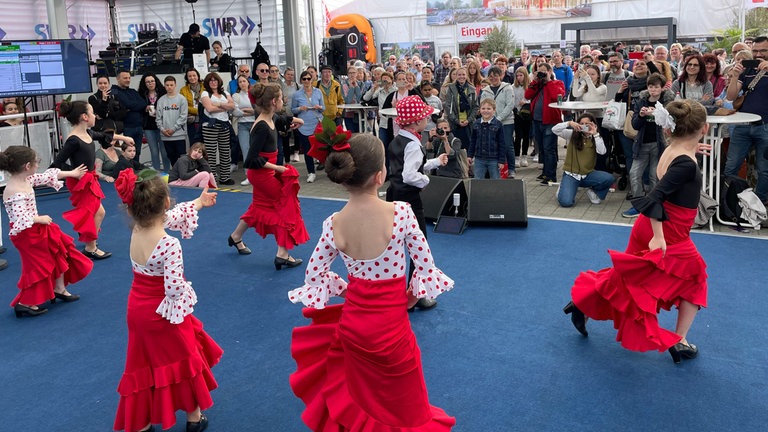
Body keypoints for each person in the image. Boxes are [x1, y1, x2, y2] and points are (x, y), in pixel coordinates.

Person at [287, 133, 456, 431]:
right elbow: (425, 267)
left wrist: (348, 289)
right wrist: (410, 298)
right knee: (406, 398)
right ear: (381, 176)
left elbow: (314, 276)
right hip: (392, 329)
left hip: (354, 328)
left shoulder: (333, 224)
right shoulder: (401, 214)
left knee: (363, 395)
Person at [563, 99, 709, 365]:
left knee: (626, 278)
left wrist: (693, 149)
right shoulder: (684, 162)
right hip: (668, 231)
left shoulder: (673, 150)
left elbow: (677, 163)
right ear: (705, 128)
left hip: (650, 227)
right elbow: (654, 197)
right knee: (696, 278)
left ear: (669, 130)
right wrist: (660, 237)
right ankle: (680, 341)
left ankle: (582, 305)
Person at [112, 169, 221, 432]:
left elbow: (170, 217)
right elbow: (173, 289)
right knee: (185, 360)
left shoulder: (139, 226)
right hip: (163, 312)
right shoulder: (168, 244)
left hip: (137, 309)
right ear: (166, 202)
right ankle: (194, 419)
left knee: (142, 363)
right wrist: (187, 294)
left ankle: (141, 421)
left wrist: (198, 203)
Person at [0, 146, 91, 317]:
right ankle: (25, 302)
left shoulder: (26, 179)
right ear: (27, 166)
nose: (38, 166)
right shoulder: (13, 189)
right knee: (38, 266)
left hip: (38, 229)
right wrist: (39, 219)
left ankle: (59, 288)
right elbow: (20, 217)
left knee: (60, 252)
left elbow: (47, 176)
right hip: (26, 235)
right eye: (37, 163)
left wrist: (71, 173)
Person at [228, 83, 309, 267]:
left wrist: (299, 122)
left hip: (265, 173)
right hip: (262, 175)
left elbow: (287, 120)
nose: (284, 100)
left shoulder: (272, 117)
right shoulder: (262, 126)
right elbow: (251, 160)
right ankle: (282, 253)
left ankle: (236, 236)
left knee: (258, 207)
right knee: (284, 207)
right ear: (274, 101)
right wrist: (279, 169)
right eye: (281, 98)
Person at [386, 96, 448, 311]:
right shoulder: (413, 144)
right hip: (410, 200)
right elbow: (410, 175)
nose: (427, 119)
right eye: (424, 116)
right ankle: (416, 295)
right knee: (418, 246)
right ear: (415, 122)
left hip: (393, 196)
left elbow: (407, 167)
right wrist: (426, 180)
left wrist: (434, 162)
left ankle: (398, 292)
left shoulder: (397, 140)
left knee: (395, 245)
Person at [52, 100, 135, 260]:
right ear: (84, 117)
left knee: (95, 212)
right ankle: (91, 247)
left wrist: (123, 138)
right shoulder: (74, 140)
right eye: (92, 113)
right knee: (97, 213)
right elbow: (57, 163)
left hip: (89, 179)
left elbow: (103, 136)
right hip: (81, 182)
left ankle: (89, 240)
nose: (95, 116)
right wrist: (73, 173)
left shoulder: (87, 133)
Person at [623, 73, 676, 218]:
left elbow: (671, 123)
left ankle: (654, 205)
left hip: (660, 145)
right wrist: (640, 115)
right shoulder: (641, 101)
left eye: (656, 87)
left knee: (655, 177)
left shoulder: (667, 102)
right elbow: (635, 125)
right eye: (650, 87)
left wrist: (659, 113)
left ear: (662, 88)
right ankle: (638, 205)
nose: (653, 90)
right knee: (634, 174)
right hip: (642, 143)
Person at [725, 36, 768, 203]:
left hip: (765, 125)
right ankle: (728, 201)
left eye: (763, 51)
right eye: (755, 51)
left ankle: (760, 204)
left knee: (764, 170)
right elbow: (731, 97)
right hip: (743, 125)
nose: (759, 54)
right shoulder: (748, 69)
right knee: (731, 166)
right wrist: (735, 76)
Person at [552, 113, 615, 207]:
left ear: (594, 125)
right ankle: (564, 187)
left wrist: (595, 134)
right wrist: (569, 123)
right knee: (566, 202)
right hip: (571, 174)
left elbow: (602, 152)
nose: (584, 126)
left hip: (588, 174)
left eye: (587, 124)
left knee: (609, 178)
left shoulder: (596, 137)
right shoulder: (572, 135)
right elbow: (554, 130)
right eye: (582, 123)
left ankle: (594, 192)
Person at [525, 62, 565, 185]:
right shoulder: (537, 84)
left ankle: (551, 175)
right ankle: (545, 172)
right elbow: (527, 95)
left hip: (550, 121)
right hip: (537, 120)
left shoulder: (557, 83)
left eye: (544, 71)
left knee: (549, 148)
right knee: (542, 148)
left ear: (550, 71)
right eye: (539, 71)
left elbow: (556, 96)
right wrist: (535, 81)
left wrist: (548, 80)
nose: (542, 73)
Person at [200, 72, 235, 185]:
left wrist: (218, 105)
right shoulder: (205, 93)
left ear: (219, 81)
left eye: (215, 80)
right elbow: (209, 109)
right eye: (211, 80)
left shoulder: (225, 93)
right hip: (210, 125)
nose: (213, 82)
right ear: (207, 82)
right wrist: (224, 107)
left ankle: (225, 177)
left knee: (225, 151)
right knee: (210, 153)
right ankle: (212, 178)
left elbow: (233, 106)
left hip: (224, 125)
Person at [480, 66, 516, 176]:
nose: (493, 78)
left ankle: (511, 169)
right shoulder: (485, 90)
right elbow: (483, 104)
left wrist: (499, 119)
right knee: (494, 145)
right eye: (491, 76)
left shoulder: (508, 88)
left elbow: (510, 105)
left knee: (507, 145)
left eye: (495, 76)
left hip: (506, 122)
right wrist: (491, 119)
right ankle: (496, 170)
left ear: (500, 76)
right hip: (490, 122)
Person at [112, 70, 147, 161]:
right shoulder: (115, 91)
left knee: (137, 152)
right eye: (125, 78)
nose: (128, 80)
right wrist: (134, 106)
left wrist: (131, 107)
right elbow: (127, 104)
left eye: (129, 78)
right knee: (126, 154)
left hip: (138, 127)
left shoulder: (133, 91)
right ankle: (127, 173)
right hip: (126, 128)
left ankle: (135, 173)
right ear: (118, 79)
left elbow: (143, 103)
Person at [138, 73, 170, 171]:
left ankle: (167, 173)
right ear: (144, 84)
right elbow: (137, 108)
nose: (150, 83)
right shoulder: (141, 94)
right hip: (148, 127)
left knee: (164, 152)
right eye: (147, 82)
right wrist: (144, 108)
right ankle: (156, 175)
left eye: (152, 81)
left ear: (156, 81)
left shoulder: (163, 92)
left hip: (162, 126)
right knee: (154, 152)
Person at [468, 98, 506, 179]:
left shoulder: (498, 124)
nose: (486, 111)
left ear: (494, 110)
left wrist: (501, 160)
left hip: (494, 159)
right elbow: (473, 141)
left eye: (489, 108)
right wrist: (470, 155)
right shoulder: (476, 123)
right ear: (480, 110)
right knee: (478, 181)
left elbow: (502, 143)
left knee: (495, 180)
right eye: (483, 108)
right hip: (479, 158)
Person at [155, 76, 188, 167]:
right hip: (166, 135)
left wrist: (173, 129)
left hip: (179, 134)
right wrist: (162, 129)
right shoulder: (161, 100)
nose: (169, 87)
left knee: (181, 157)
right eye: (167, 85)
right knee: (171, 156)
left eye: (171, 85)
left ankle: (183, 176)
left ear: (175, 85)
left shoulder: (182, 99)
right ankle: (176, 176)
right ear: (164, 86)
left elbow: (183, 117)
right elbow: (158, 118)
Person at [445, 67, 478, 150]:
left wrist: (469, 120)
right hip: (455, 123)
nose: (461, 77)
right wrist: (456, 120)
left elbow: (475, 107)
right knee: (456, 148)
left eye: (463, 74)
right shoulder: (451, 88)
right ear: (456, 76)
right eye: (459, 75)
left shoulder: (472, 89)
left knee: (468, 147)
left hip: (468, 123)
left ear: (466, 75)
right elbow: (448, 106)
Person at [512, 67, 532, 167]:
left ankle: (524, 155)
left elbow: (532, 99)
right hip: (517, 113)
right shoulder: (513, 87)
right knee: (518, 136)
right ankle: (516, 156)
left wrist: (526, 102)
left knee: (526, 136)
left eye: (521, 75)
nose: (519, 78)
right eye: (517, 75)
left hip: (527, 114)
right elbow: (512, 100)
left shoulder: (529, 86)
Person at [180, 68, 204, 143]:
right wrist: (197, 111)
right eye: (189, 76)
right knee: (193, 144)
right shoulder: (183, 90)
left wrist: (196, 111)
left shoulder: (205, 88)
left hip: (205, 120)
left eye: (194, 75)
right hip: (191, 121)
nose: (192, 78)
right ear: (187, 78)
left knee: (205, 146)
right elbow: (183, 106)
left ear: (198, 76)